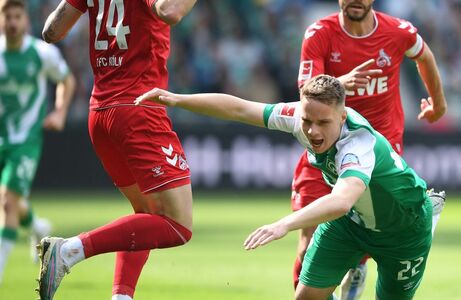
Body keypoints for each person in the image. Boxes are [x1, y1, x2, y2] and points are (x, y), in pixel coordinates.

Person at [136, 74, 436, 300]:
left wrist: (284, 224)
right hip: (351, 224)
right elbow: (239, 109)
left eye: (323, 122)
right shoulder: (297, 117)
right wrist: (176, 99)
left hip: (404, 230)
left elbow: (341, 200)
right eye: (307, 120)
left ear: (342, 116)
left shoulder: (358, 143)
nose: (312, 131)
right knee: (306, 296)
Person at [36, 1, 197, 299]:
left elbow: (51, 32)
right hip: (138, 110)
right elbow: (169, 11)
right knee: (178, 225)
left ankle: (121, 297)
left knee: (146, 215)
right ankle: (70, 250)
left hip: (100, 114)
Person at [295, 0, 447, 297]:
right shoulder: (319, 33)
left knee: (375, 225)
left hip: (377, 154)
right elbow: (306, 92)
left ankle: (364, 258)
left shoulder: (398, 31)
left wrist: (438, 104)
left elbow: (424, 56)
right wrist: (340, 84)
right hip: (326, 149)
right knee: (307, 243)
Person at [0, 0, 74, 284]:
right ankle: (36, 227)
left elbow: (67, 81)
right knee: (11, 201)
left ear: (26, 20)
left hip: (26, 140)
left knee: (7, 202)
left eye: (17, 16)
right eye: (7, 17)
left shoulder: (41, 53)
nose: (12, 22)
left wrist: (60, 112)